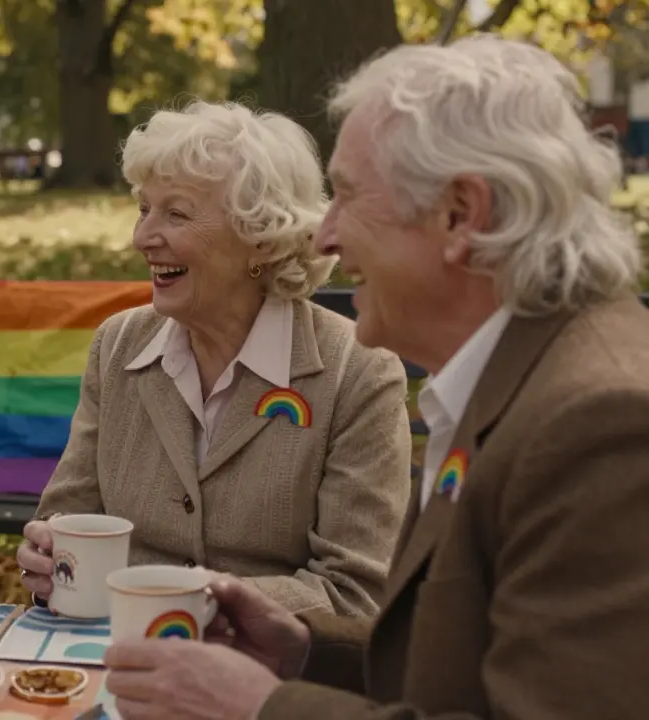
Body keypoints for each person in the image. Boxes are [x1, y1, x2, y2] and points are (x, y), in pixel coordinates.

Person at [102, 35, 649, 720]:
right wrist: (306, 652)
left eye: (350, 197)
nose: (323, 236)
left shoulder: (599, 423)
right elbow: (463, 665)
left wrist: (266, 707)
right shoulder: (519, 374)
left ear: (461, 215)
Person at [17, 100, 413, 619]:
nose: (141, 238)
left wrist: (186, 601)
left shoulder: (356, 372)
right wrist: (46, 556)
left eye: (176, 214)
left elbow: (357, 595)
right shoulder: (118, 346)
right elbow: (67, 516)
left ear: (260, 237)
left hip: (271, 680)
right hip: (110, 655)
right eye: (143, 209)